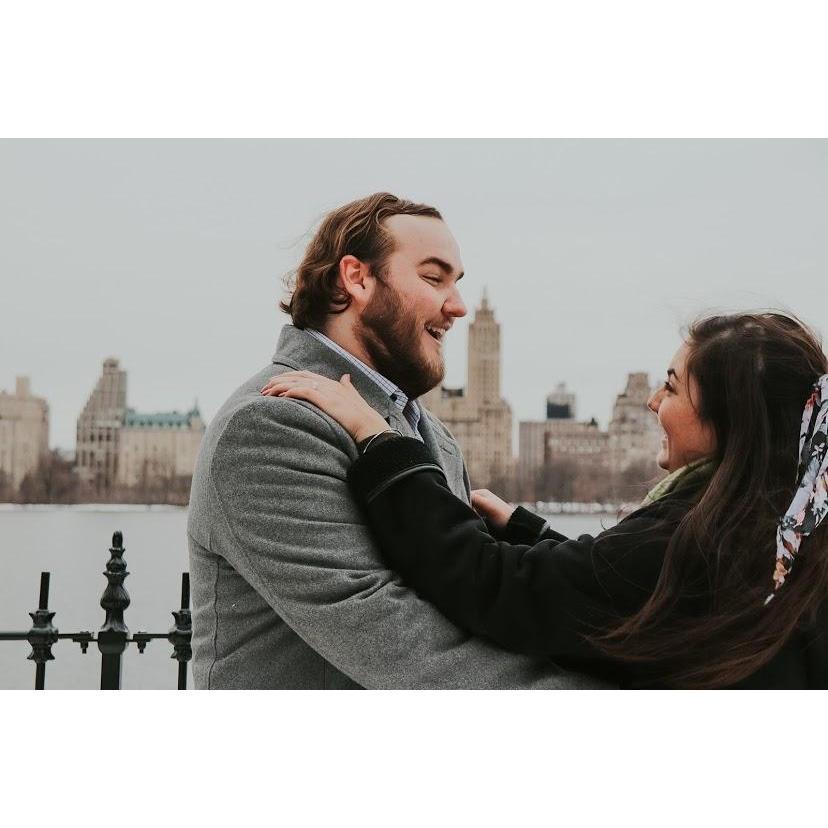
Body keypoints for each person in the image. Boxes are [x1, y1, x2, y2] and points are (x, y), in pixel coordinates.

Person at [262, 312, 828, 688]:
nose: (654, 402)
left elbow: (492, 586)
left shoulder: (700, 538)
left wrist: (380, 441)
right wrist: (527, 530)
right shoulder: (783, 526)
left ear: (733, 419)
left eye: (674, 386)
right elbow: (619, 592)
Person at [187, 192, 605, 689]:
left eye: (457, 282)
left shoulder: (432, 434)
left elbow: (472, 603)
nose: (457, 306)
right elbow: (395, 641)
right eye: (433, 278)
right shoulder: (269, 426)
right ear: (357, 278)